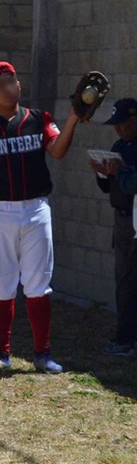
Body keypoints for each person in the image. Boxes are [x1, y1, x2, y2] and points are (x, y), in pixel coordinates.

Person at [0, 61, 82, 376]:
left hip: (36, 208)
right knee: (2, 282)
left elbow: (58, 150)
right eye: (0, 83)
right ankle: (0, 354)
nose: (9, 86)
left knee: (39, 282)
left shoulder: (38, 119)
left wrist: (74, 119)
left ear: (19, 85)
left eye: (12, 80)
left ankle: (43, 354)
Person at [88, 98, 137, 356]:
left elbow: (132, 183)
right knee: (124, 281)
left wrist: (119, 171)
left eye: (125, 124)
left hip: (135, 218)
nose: (120, 130)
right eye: (116, 126)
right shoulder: (119, 146)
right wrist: (101, 172)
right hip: (122, 220)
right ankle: (124, 337)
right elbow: (109, 187)